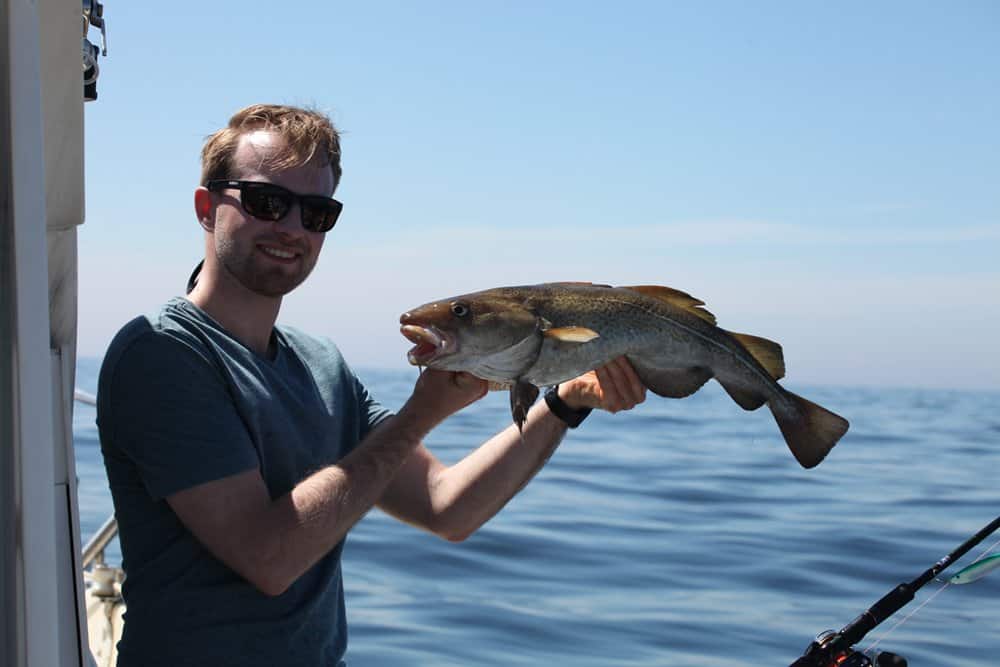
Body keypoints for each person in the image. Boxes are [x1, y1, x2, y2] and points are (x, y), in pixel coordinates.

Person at [96, 103, 646, 667]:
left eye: (316, 213)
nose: (291, 227)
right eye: (267, 202)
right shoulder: (162, 354)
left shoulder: (321, 363)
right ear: (206, 208)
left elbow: (446, 507)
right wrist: (419, 416)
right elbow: (269, 557)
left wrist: (561, 401)